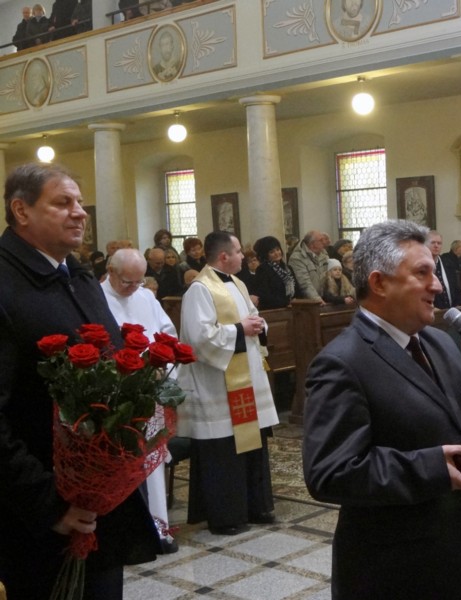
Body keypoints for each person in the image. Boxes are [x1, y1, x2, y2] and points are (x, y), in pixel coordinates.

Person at [303, 219, 461, 599]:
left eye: (434, 272)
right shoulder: (342, 362)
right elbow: (329, 473)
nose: (437, 285)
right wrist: (432, 468)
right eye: (422, 273)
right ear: (379, 283)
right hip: (397, 572)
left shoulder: (439, 342)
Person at [0, 163, 159, 599]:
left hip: (99, 503)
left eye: (80, 202)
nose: (80, 212)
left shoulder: (79, 277)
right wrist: (48, 504)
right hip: (38, 516)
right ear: (21, 210)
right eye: (63, 202)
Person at [177, 231, 279, 535]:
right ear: (224, 256)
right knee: (223, 451)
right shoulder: (199, 290)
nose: (243, 257)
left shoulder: (238, 283)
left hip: (246, 380)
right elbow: (199, 338)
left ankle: (254, 507)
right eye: (238, 252)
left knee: (252, 443)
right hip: (218, 385)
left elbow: (252, 317)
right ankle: (226, 516)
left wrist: (259, 325)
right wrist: (239, 329)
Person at [101, 248, 179, 554]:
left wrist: (163, 363)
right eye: (127, 282)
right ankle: (130, 535)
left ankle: (158, 529)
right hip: (117, 399)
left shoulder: (146, 297)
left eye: (139, 281)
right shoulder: (96, 298)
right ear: (110, 271)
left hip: (150, 393)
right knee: (123, 464)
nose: (134, 288)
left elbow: (167, 333)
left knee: (152, 461)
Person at [250, 235, 296, 309]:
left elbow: (297, 288)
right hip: (275, 309)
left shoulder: (287, 268)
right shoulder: (263, 270)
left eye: (278, 249)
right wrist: (286, 302)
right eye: (272, 252)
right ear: (266, 255)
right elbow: (265, 295)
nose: (277, 253)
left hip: (293, 307)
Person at [288, 229, 327, 303]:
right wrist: (317, 299)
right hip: (309, 302)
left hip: (325, 299)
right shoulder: (297, 258)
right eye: (321, 240)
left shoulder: (324, 255)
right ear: (312, 244)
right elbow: (305, 283)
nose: (324, 242)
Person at [426, 230, 461, 308]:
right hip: (433, 311)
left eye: (439, 243)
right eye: (433, 242)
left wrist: (457, 304)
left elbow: (456, 287)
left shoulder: (448, 263)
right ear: (425, 245)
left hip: (451, 309)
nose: (436, 246)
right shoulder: (421, 266)